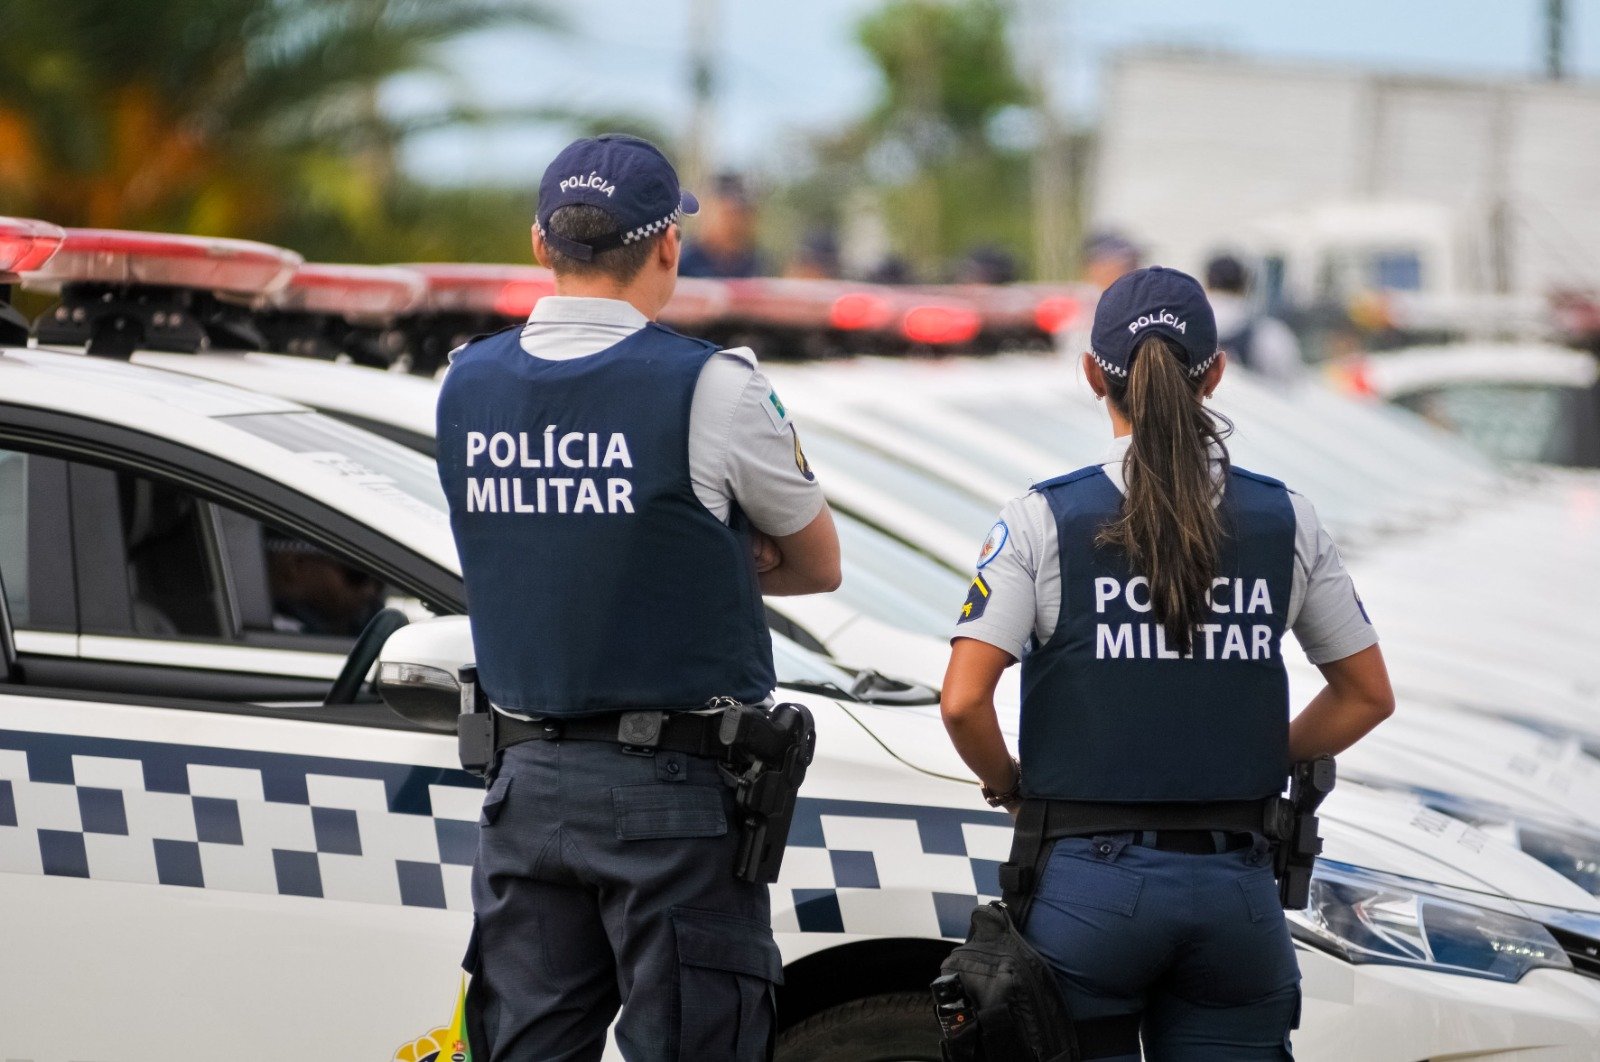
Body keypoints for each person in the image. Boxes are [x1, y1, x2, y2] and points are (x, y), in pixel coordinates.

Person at [436, 133, 842, 1061]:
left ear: (540, 243)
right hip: (673, 801)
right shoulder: (713, 388)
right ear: (669, 248)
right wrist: (686, 552)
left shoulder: (464, 382)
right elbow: (818, 563)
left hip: (525, 790)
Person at [940, 267, 1393, 1060]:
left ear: (1092, 374)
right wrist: (1250, 754)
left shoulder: (1043, 518)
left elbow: (962, 702)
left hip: (1087, 887)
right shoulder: (1285, 518)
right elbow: (1365, 695)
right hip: (1237, 894)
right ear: (1215, 374)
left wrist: (1010, 785)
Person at [1205, 252, 1305, 388]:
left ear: (1207, 281)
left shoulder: (1183, 322)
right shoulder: (1268, 333)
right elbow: (1291, 386)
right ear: (1244, 285)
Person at [678, 172, 768, 278]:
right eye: (729, 213)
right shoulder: (682, 263)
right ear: (708, 211)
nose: (735, 223)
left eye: (741, 213)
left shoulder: (756, 265)